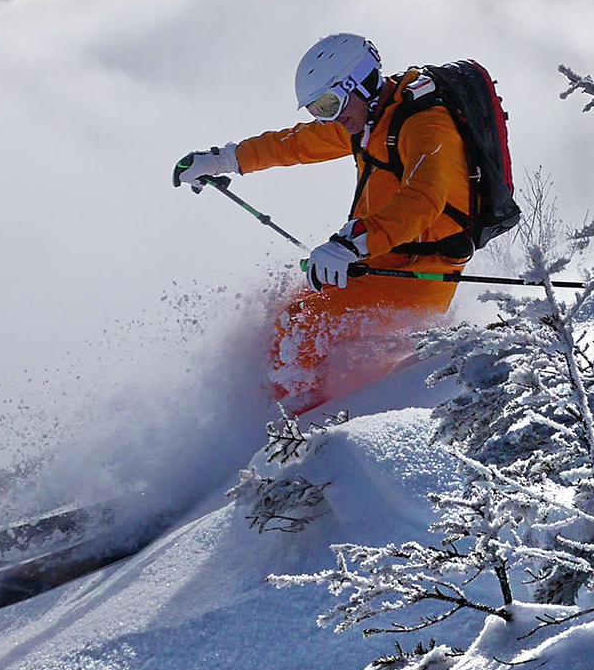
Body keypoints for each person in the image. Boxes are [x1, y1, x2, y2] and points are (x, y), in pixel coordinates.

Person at [173, 34, 472, 410]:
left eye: (330, 104)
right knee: (287, 318)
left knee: (299, 330)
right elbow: (294, 144)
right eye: (317, 109)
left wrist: (353, 243)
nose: (329, 118)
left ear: (361, 81)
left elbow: (423, 200)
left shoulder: (426, 125)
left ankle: (307, 429)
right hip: (380, 258)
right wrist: (224, 160)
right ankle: (292, 411)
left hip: (422, 271)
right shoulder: (368, 119)